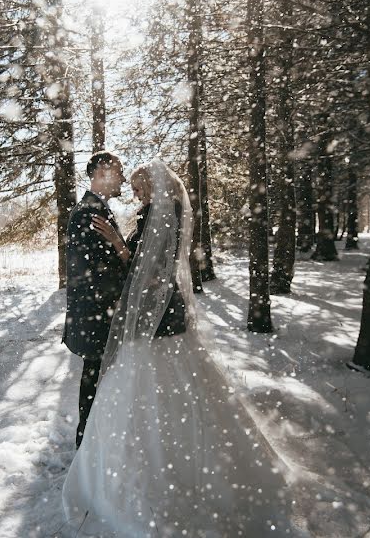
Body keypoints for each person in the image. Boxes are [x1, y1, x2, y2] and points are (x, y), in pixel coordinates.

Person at [62, 158, 294, 536]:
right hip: (150, 322)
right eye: (132, 186)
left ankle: (167, 471)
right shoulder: (154, 213)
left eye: (138, 188)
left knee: (160, 392)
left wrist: (120, 245)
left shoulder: (161, 217)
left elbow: (149, 272)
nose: (133, 194)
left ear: (154, 189)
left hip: (161, 324)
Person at [62, 151, 128, 449]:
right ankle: (88, 448)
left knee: (95, 384)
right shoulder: (88, 212)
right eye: (119, 171)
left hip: (99, 317)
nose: (123, 178)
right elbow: (93, 274)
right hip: (97, 319)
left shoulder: (96, 209)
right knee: (93, 384)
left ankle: (91, 446)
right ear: (102, 171)